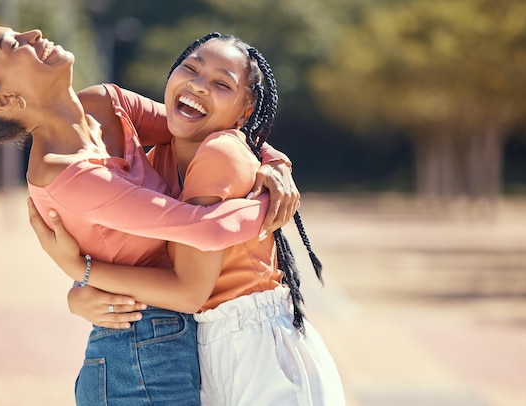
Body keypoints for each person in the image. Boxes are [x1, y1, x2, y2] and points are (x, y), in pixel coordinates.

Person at [0, 27, 300, 405]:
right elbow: (205, 230)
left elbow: (207, 125)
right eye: (12, 45)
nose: (33, 36)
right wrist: (270, 204)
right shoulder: (66, 174)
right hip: (136, 359)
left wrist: (277, 165)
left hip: (170, 345)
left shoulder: (103, 103)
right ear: (5, 101)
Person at [30, 33, 345, 405]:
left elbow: (188, 292)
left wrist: (80, 270)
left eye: (221, 84)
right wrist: (81, 294)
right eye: (191, 68)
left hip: (257, 351)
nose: (198, 86)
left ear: (245, 113)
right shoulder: (158, 159)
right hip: (208, 345)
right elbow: (141, 260)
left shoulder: (220, 153)